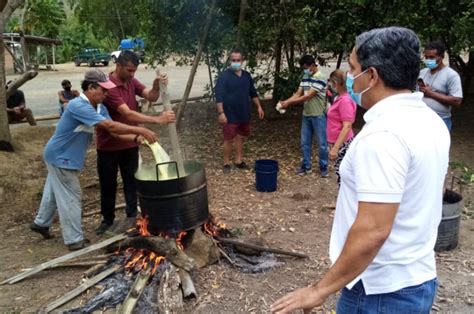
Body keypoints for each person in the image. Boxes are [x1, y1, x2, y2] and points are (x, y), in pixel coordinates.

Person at [271, 27, 450, 313]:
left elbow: (373, 231)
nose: (350, 77)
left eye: (354, 68)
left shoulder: (383, 136)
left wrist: (318, 291)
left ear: (373, 76)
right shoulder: (430, 121)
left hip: (379, 292)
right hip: (418, 278)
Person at [30, 69, 157, 251]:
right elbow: (108, 124)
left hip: (60, 156)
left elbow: (113, 132)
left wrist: (136, 139)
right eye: (103, 90)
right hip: (60, 157)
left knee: (54, 190)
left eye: (108, 91)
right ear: (90, 88)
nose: (107, 94)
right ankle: (74, 240)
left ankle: (41, 223)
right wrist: (141, 130)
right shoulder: (78, 106)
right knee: (71, 196)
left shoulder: (100, 107)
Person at [95, 50, 176, 235]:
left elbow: (151, 96)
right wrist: (158, 120)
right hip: (109, 144)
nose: (132, 74)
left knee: (132, 182)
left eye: (134, 71)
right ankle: (107, 220)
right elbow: (127, 114)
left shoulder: (131, 81)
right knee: (108, 184)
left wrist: (156, 85)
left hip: (131, 143)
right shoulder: (109, 87)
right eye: (129, 70)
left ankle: (133, 218)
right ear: (118, 66)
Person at [215, 48, 264, 174]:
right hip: (229, 113)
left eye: (238, 60)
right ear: (230, 61)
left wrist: (259, 106)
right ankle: (226, 162)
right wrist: (221, 113)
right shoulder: (224, 76)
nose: (235, 62)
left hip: (244, 113)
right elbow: (219, 95)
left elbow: (253, 93)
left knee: (241, 137)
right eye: (233, 60)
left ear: (242, 61)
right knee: (229, 139)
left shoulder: (247, 76)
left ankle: (238, 160)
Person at [279, 55, 329, 177]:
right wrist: (285, 101)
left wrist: (289, 103)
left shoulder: (321, 78)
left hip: (318, 115)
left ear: (313, 65)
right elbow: (298, 93)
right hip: (306, 114)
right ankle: (306, 166)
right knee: (304, 142)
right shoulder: (306, 76)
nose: (305, 70)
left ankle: (323, 166)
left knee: (322, 143)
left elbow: (308, 96)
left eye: (306, 68)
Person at [418, 40, 463, 131]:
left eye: (432, 57)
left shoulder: (451, 75)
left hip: (441, 120)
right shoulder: (422, 72)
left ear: (441, 57)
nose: (428, 60)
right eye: (426, 57)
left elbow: (457, 100)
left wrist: (431, 94)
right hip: (421, 119)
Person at [326, 69, 356, 185]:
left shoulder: (345, 101)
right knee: (340, 174)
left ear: (336, 83)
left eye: (332, 83)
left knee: (343, 176)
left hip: (343, 144)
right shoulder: (339, 97)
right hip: (337, 143)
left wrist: (335, 148)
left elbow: (347, 126)